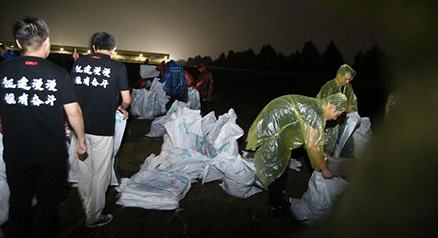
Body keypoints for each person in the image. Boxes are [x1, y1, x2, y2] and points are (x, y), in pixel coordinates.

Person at [0, 16, 86, 237]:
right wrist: (81, 140)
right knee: (48, 209)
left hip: (16, 153)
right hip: (51, 156)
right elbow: (74, 111)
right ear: (47, 41)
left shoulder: (4, 70)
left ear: (18, 43)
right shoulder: (58, 74)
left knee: (18, 206)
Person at [245, 93, 347, 216]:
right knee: (278, 172)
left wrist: (321, 152)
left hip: (278, 130)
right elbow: (311, 145)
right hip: (274, 134)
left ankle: (277, 199)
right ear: (332, 106)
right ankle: (275, 206)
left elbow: (308, 137)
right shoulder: (316, 113)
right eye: (338, 114)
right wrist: (324, 169)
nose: (336, 118)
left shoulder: (316, 107)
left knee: (281, 169)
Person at [70, 32, 131, 228]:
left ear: (94, 47)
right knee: (101, 171)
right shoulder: (118, 67)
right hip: (102, 128)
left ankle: (88, 202)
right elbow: (127, 99)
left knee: (84, 168)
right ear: (114, 49)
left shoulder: (79, 63)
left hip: (78, 126)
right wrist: (122, 108)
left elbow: (72, 92)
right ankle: (94, 215)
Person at [317, 64, 357, 157]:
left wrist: (354, 116)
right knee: (327, 146)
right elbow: (324, 106)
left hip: (342, 122)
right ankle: (321, 169)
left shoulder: (348, 87)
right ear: (339, 75)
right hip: (330, 124)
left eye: (350, 80)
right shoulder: (329, 87)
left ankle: (342, 167)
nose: (347, 81)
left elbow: (351, 102)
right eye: (346, 79)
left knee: (348, 145)